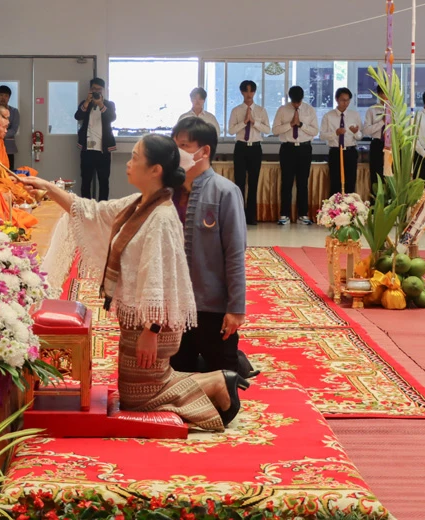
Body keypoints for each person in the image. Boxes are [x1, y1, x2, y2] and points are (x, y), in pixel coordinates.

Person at [19, 136, 249, 430]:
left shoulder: (162, 217)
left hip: (155, 323)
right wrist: (49, 188)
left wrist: (151, 331)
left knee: (139, 399)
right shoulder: (140, 204)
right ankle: (211, 380)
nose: (128, 163)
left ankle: (216, 383)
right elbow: (91, 211)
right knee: (135, 394)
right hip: (139, 318)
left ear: (155, 169)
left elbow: (160, 280)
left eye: (136, 157)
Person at [168, 118, 253, 379]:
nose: (176, 152)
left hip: (211, 307)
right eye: (175, 145)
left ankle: (236, 364)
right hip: (175, 305)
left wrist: (236, 308)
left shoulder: (225, 192)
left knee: (223, 384)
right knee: (177, 377)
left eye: (183, 146)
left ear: (204, 151)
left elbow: (235, 254)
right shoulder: (167, 191)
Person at [272, 86, 318, 225]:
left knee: (302, 183)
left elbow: (315, 131)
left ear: (302, 98)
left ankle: (303, 214)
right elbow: (275, 130)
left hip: (304, 148)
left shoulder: (309, 110)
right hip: (288, 149)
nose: (296, 104)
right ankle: (284, 214)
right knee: (286, 182)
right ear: (290, 98)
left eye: (298, 102)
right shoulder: (282, 110)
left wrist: (301, 124)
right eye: (294, 102)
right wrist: (291, 124)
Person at [227, 80, 271, 225]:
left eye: (251, 91)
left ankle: (251, 216)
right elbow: (231, 130)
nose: (249, 94)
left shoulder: (261, 110)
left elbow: (267, 130)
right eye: (246, 91)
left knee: (253, 183)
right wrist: (244, 122)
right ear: (241, 92)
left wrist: (254, 122)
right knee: (239, 183)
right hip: (240, 147)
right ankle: (238, 216)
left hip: (255, 148)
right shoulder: (236, 110)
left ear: (254, 92)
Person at [75, 78, 117, 201]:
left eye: (98, 89)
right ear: (90, 90)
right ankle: (86, 207)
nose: (96, 91)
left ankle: (103, 209)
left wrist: (100, 104)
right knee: (86, 180)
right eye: (94, 89)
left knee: (104, 181)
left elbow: (111, 118)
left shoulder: (109, 104)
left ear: (103, 90)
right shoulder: (85, 103)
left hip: (103, 149)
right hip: (87, 149)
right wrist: (87, 102)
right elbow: (77, 116)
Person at [320, 87, 361, 196]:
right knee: (335, 182)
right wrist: (335, 133)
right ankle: (334, 210)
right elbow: (322, 135)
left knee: (350, 182)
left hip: (350, 151)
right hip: (335, 152)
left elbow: (360, 136)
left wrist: (356, 132)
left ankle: (350, 208)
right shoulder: (328, 116)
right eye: (343, 100)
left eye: (348, 100)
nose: (345, 103)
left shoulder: (354, 115)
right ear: (337, 99)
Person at [362, 85, 387, 193]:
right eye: (386, 93)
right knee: (376, 176)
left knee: (390, 175)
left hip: (391, 146)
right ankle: (376, 204)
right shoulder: (372, 110)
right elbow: (366, 131)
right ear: (380, 94)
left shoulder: (395, 110)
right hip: (377, 144)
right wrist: (382, 121)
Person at [0, 85, 20, 169]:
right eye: (1, 95)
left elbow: (14, 129)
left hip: (8, 147)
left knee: (9, 170)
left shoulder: (14, 111)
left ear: (9, 98)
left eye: (6, 96)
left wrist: (1, 134)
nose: (3, 98)